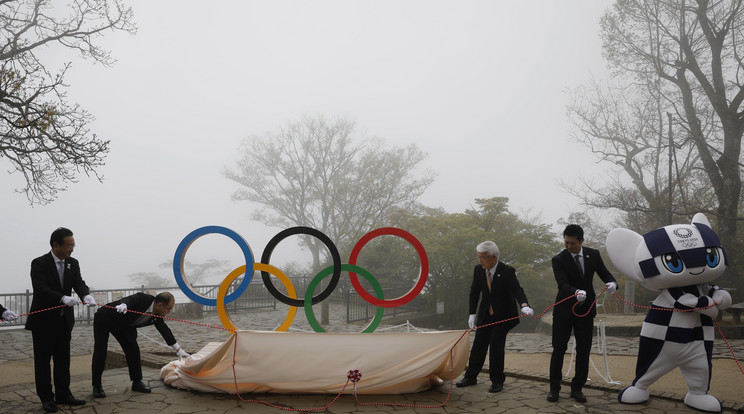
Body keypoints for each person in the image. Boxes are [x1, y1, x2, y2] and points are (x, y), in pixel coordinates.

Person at [25, 227, 97, 413]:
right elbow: (40, 288)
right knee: (43, 362)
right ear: (55, 244)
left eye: (73, 245)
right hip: (43, 321)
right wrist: (62, 298)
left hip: (64, 321)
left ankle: (64, 394)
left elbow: (79, 283)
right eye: (68, 245)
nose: (71, 249)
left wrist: (85, 295)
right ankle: (47, 398)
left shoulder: (73, 263)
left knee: (63, 360)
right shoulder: (39, 263)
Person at [547, 224, 617, 403]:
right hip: (564, 311)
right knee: (559, 349)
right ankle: (554, 388)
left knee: (584, 349)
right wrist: (575, 292)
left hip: (586, 309)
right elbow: (562, 284)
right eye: (566, 242)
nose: (569, 246)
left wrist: (612, 283)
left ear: (581, 240)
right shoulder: (558, 259)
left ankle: (577, 388)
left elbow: (605, 274)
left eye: (572, 243)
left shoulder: (593, 255)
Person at [455, 241, 534, 393]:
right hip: (485, 314)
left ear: (494, 257)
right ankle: (470, 377)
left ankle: (497, 380)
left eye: (483, 257)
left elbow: (517, 289)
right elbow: (474, 292)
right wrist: (472, 313)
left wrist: (524, 305)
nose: (480, 260)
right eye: (479, 257)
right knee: (478, 346)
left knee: (496, 347)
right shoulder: (479, 269)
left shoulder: (507, 271)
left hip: (502, 315)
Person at [92, 291, 189, 398]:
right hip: (105, 318)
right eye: (169, 309)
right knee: (100, 352)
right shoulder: (143, 299)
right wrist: (124, 305)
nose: (169, 312)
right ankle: (97, 386)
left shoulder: (157, 314)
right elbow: (130, 300)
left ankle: (137, 382)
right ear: (160, 305)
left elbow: (164, 330)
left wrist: (178, 349)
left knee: (133, 350)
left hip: (125, 325)